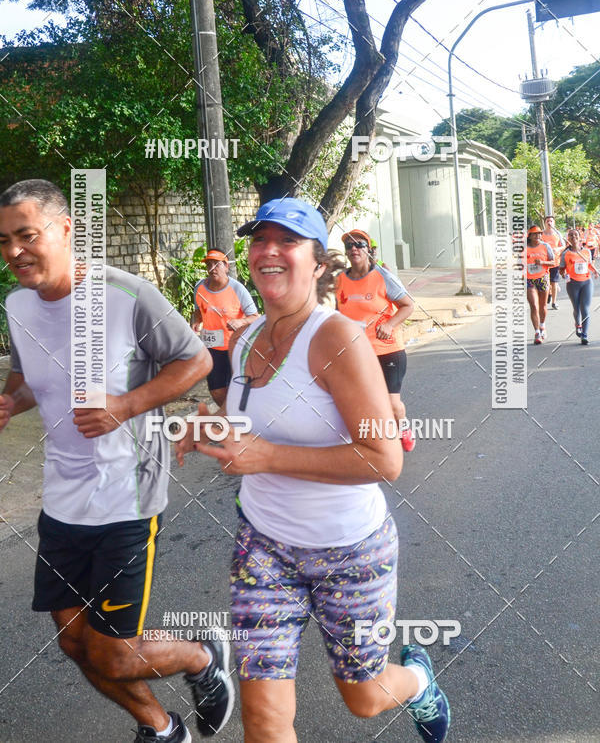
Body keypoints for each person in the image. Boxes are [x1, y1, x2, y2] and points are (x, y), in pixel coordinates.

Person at [176, 197, 450, 743]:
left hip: (350, 551)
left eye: (288, 242)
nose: (269, 251)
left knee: (365, 698)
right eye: (260, 240)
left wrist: (268, 458)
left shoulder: (337, 338)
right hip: (264, 548)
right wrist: (209, 421)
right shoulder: (246, 335)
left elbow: (384, 459)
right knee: (264, 720)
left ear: (318, 262)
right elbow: (255, 423)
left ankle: (418, 681)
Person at [0, 180, 234, 743]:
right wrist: (10, 402)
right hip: (62, 498)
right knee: (74, 642)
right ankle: (159, 727)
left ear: (65, 229)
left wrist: (126, 405)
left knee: (114, 651)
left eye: (26, 236)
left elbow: (195, 359)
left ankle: (202, 656)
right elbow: (27, 379)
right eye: (3, 241)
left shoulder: (123, 294)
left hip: (125, 492)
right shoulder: (15, 305)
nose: (13, 252)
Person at [335, 228, 416, 452]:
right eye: (349, 245)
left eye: (359, 244)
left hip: (388, 350)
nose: (353, 249)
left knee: (391, 404)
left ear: (368, 250)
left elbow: (408, 305)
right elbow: (337, 314)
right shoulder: (340, 280)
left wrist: (390, 325)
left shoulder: (382, 276)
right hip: (358, 353)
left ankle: (403, 427)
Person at [192, 248, 258, 405]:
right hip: (213, 346)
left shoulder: (237, 289)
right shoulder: (199, 288)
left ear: (226, 267)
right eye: (209, 265)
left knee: (239, 387)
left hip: (236, 347)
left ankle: (241, 417)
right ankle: (230, 415)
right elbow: (198, 311)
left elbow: (255, 316)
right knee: (216, 389)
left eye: (217, 264)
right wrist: (196, 321)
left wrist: (240, 322)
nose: (212, 269)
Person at [559, 228, 598, 344]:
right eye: (570, 235)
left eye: (575, 235)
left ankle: (584, 335)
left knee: (585, 309)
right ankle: (578, 324)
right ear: (568, 238)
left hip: (586, 282)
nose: (573, 237)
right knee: (576, 308)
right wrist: (563, 274)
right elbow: (561, 269)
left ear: (579, 237)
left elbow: (589, 264)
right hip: (572, 284)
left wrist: (595, 271)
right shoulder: (566, 254)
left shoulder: (586, 251)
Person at [525, 225, 555, 344]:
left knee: (542, 306)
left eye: (539, 234)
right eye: (534, 234)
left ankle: (542, 326)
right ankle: (537, 332)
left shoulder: (545, 246)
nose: (537, 236)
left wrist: (542, 262)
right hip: (529, 279)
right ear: (530, 236)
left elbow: (553, 262)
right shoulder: (524, 248)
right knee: (534, 306)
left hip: (543, 278)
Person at [540, 215, 565, 310]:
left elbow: (563, 246)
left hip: (555, 262)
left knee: (554, 282)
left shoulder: (557, 234)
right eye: (547, 221)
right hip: (544, 263)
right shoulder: (541, 234)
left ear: (554, 223)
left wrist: (558, 249)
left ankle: (554, 302)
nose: (549, 223)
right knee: (545, 283)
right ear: (545, 223)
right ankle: (548, 294)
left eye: (551, 221)